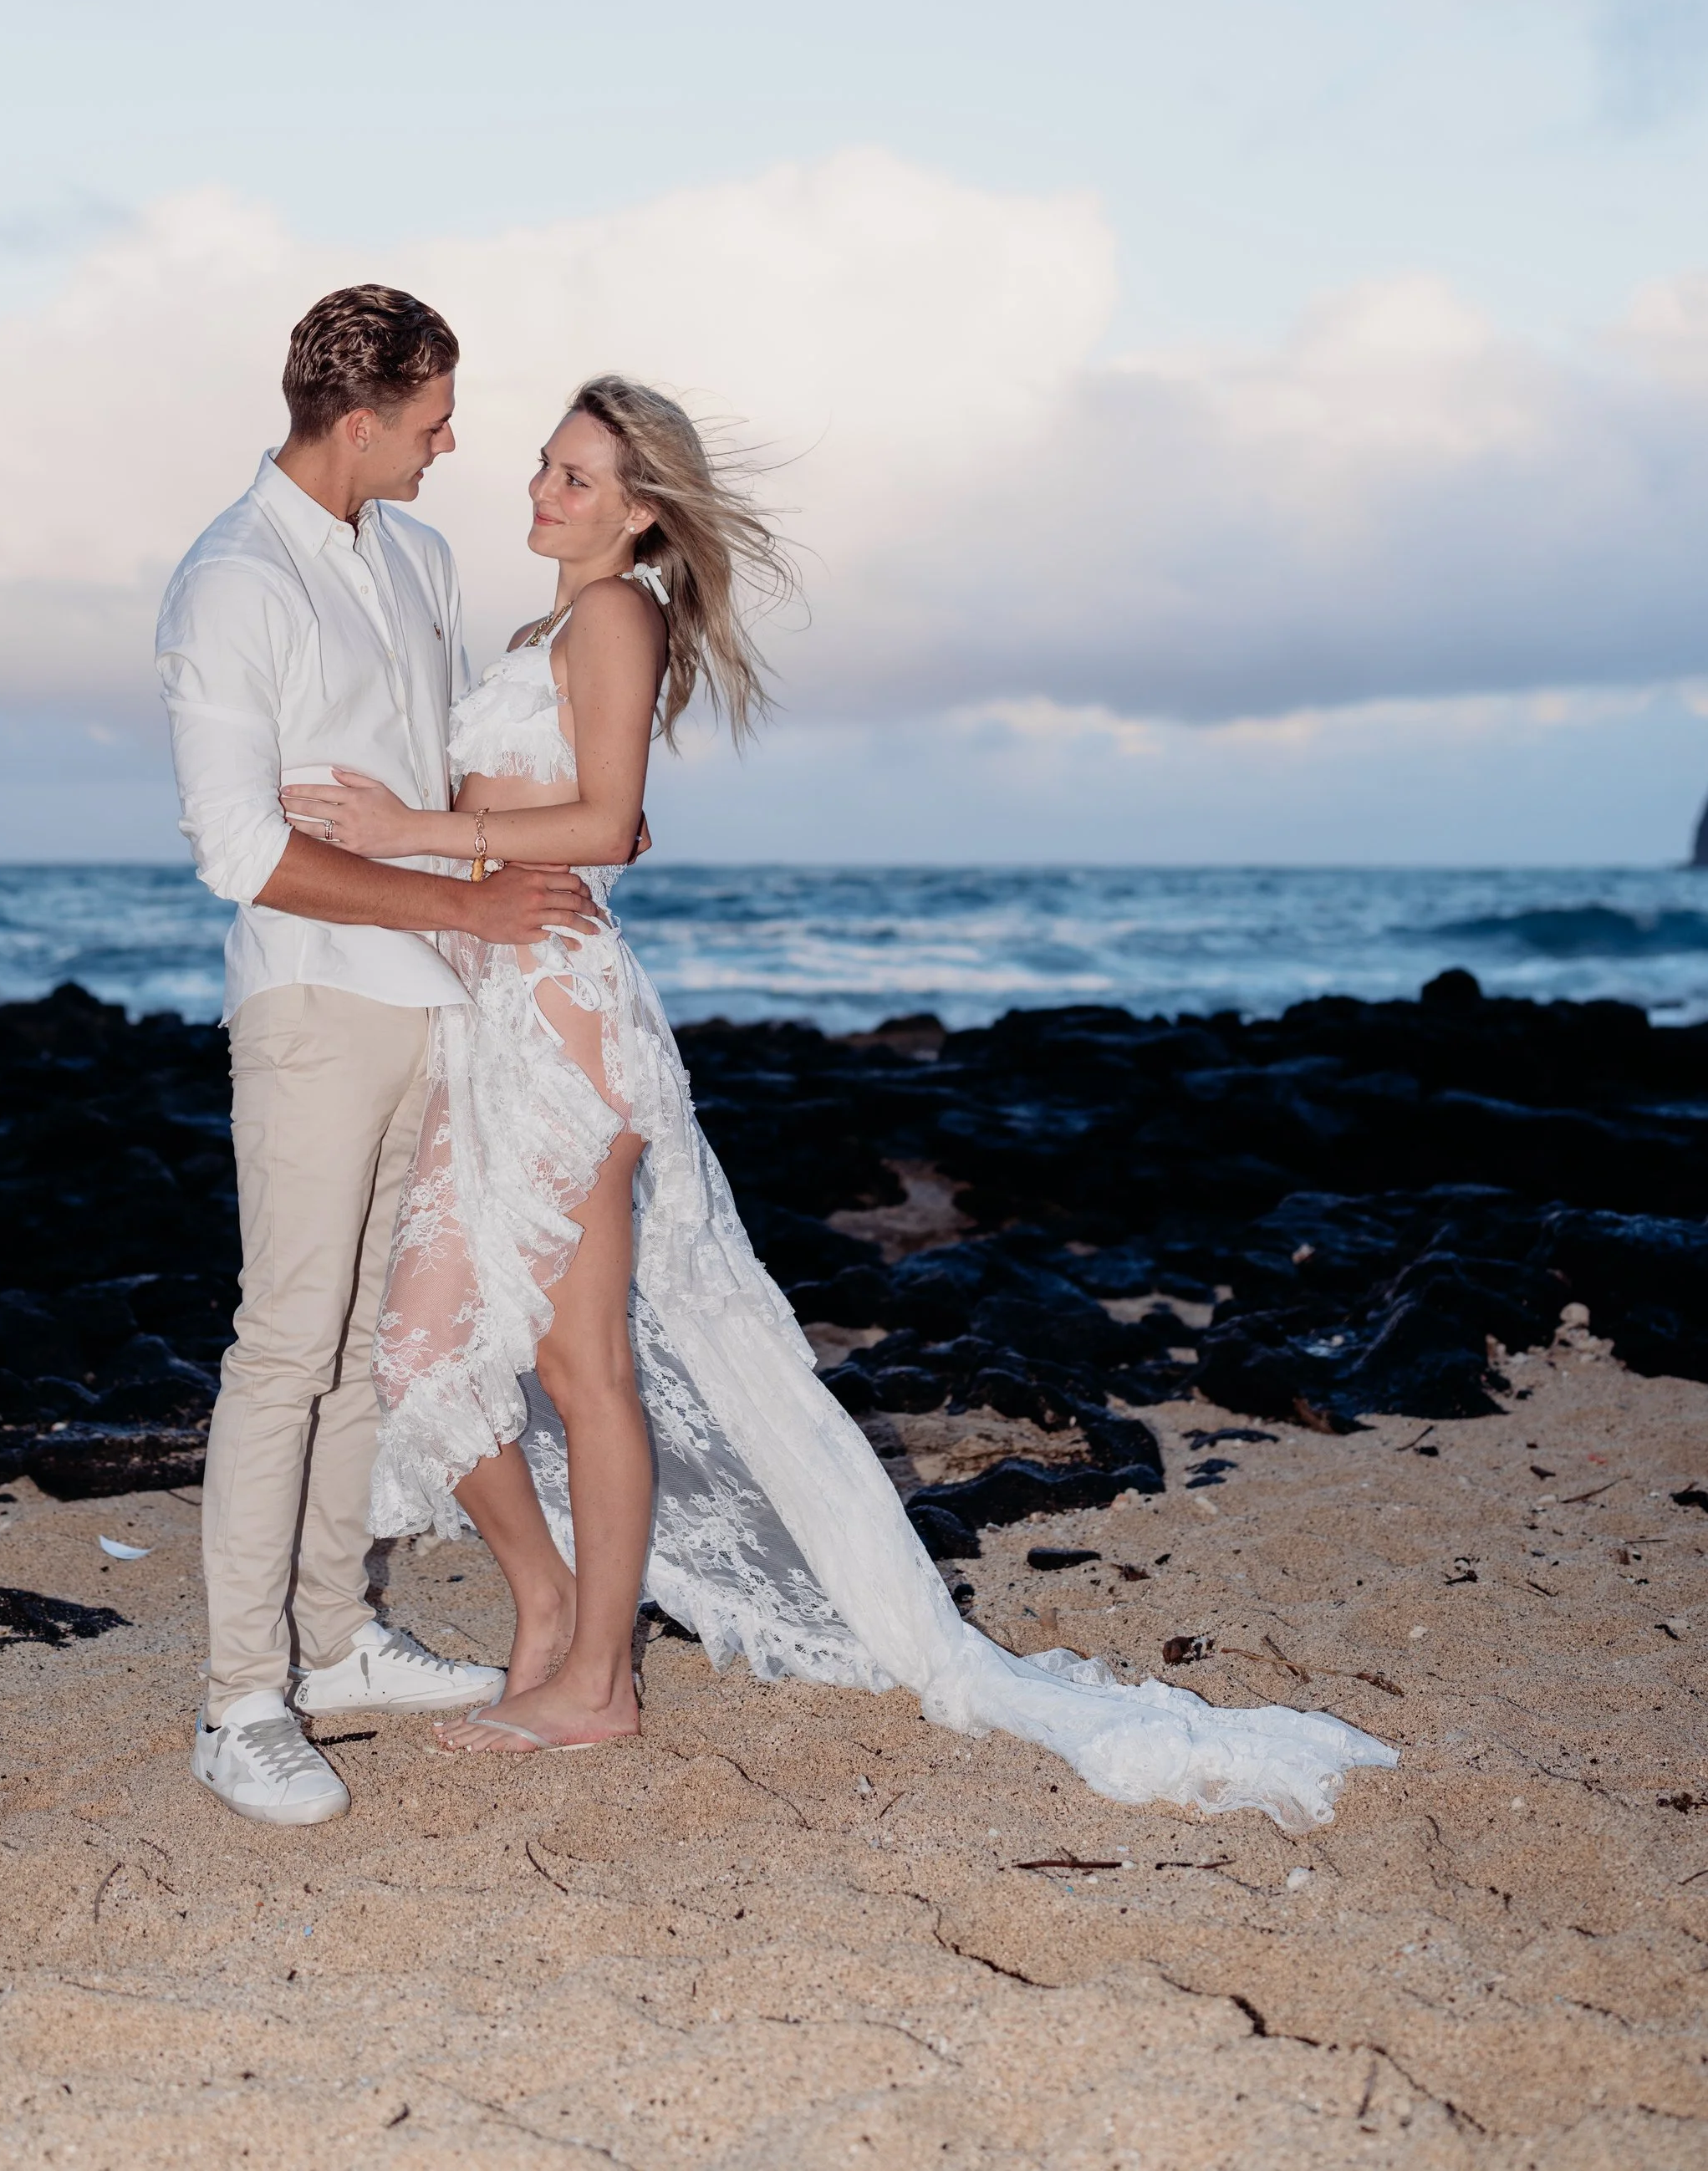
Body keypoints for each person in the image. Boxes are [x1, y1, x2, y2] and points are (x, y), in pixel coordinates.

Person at [284, 376, 1397, 1827]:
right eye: (546, 469)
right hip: (495, 1013)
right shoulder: (538, 630)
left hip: (564, 1025)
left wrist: (409, 829)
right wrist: (404, 853)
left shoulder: (618, 613)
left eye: (575, 479)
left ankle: (596, 1679)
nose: (542, 494)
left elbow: (609, 821)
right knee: (432, 1348)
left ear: (640, 509)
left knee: (579, 1368)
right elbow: (536, 821)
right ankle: (553, 1607)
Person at [156, 285, 611, 1828]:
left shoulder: (416, 556)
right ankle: (239, 1704)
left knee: (359, 1349)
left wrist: (539, 848)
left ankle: (337, 1641)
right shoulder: (230, 584)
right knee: (284, 1346)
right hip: (311, 1004)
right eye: (433, 419)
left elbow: (443, 779)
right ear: (360, 423)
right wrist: (459, 898)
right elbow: (238, 848)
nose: (453, 442)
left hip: (440, 1005)